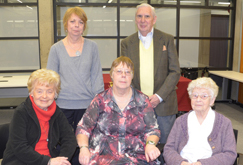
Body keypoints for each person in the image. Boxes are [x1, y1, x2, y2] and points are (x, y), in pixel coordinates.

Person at [121, 3, 180, 163]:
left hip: (164, 105)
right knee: (139, 147)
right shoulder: (127, 43)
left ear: (154, 19)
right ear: (135, 19)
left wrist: (158, 96)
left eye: (147, 16)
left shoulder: (167, 39)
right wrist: (141, 98)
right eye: (139, 16)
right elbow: (125, 74)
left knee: (166, 147)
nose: (143, 20)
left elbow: (175, 71)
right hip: (138, 106)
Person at [76, 56, 161, 165]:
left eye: (128, 72)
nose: (123, 75)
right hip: (103, 158)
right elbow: (83, 128)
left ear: (132, 76)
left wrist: (150, 144)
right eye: (119, 71)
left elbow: (153, 130)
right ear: (112, 75)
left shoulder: (143, 101)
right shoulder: (100, 100)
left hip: (136, 158)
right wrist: (83, 148)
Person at [47, 6, 104, 133]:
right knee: (64, 142)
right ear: (66, 25)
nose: (76, 25)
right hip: (62, 104)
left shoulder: (92, 47)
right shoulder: (56, 49)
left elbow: (96, 75)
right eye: (72, 21)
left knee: (85, 143)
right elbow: (50, 79)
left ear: (84, 26)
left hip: (87, 105)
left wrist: (99, 102)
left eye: (81, 22)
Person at [2, 69, 76, 165]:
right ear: (31, 92)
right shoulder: (21, 112)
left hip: (50, 160)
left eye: (49, 91)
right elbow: (20, 147)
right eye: (39, 91)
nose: (44, 96)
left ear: (55, 94)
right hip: (21, 161)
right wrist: (48, 161)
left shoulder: (56, 112)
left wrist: (62, 160)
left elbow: (69, 139)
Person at [163, 77, 237, 165]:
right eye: (195, 95)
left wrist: (202, 163)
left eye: (204, 96)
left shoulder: (224, 123)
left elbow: (230, 154)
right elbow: (168, 149)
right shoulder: (180, 121)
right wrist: (181, 162)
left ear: (212, 100)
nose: (198, 99)